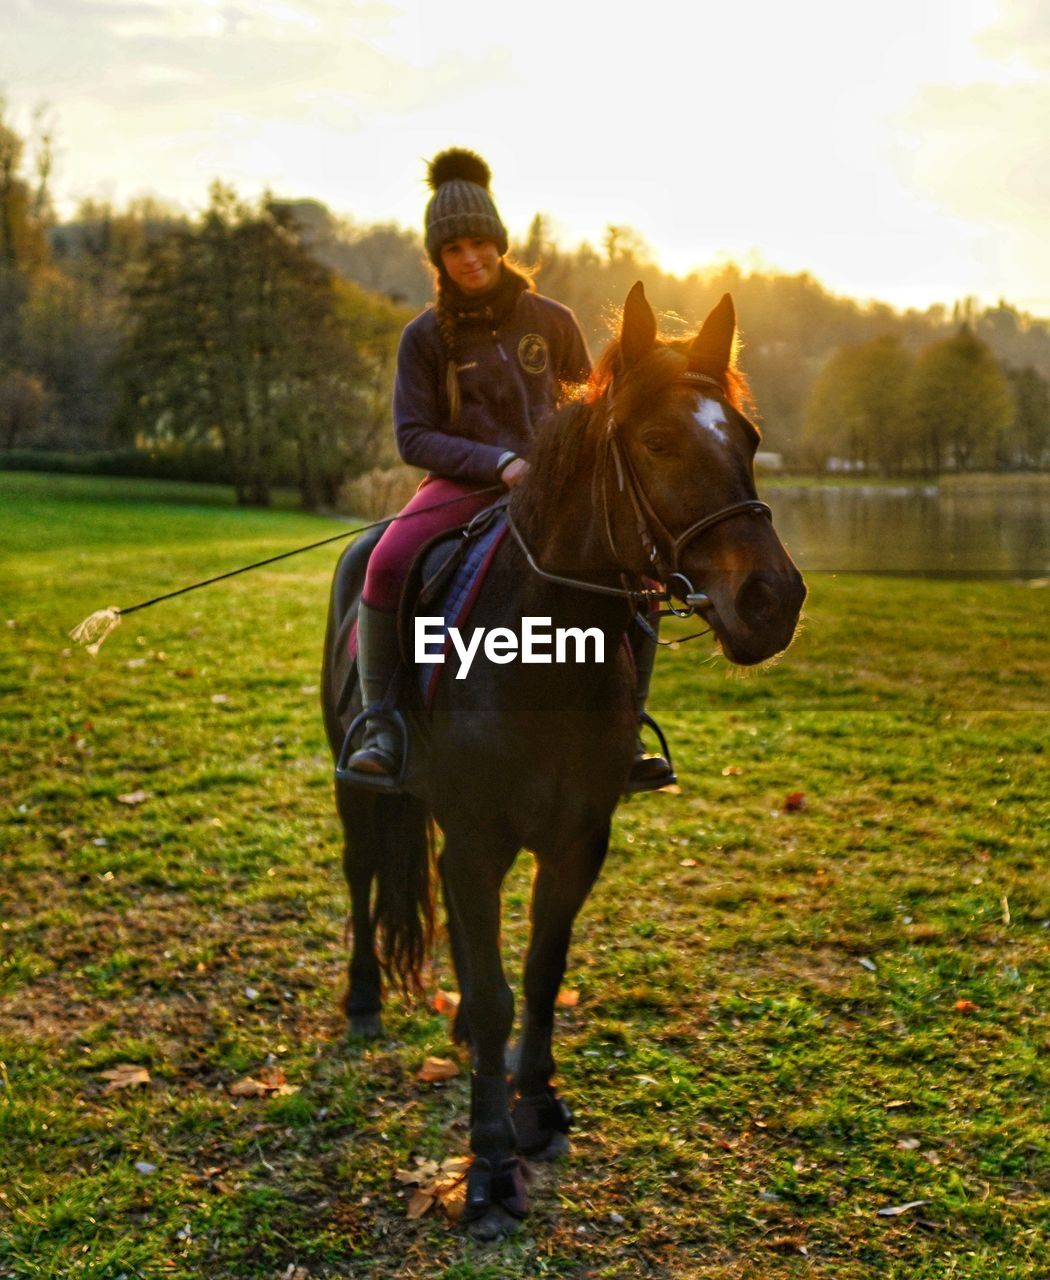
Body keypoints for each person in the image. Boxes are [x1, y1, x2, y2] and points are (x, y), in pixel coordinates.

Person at [346, 147, 673, 792]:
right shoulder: (424, 337)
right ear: (438, 259)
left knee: (640, 577)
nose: (470, 258)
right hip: (461, 487)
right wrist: (498, 463)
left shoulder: (553, 322)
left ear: (499, 241)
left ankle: (628, 727)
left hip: (557, 492)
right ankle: (382, 722)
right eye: (453, 250)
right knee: (385, 561)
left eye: (479, 242)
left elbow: (593, 410)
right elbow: (412, 435)